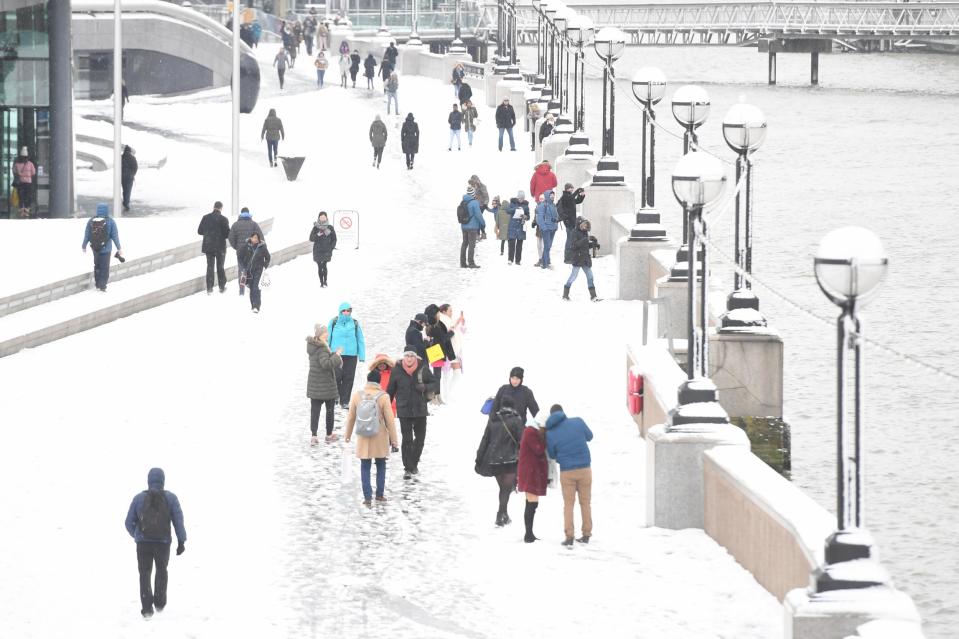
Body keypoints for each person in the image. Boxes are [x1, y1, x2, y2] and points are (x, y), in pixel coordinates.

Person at [124, 468, 187, 619]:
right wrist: (181, 540)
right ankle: (159, 603)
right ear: (163, 480)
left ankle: (146, 609)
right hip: (163, 543)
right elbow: (178, 520)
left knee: (144, 573)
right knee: (161, 570)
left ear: (148, 480)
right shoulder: (171, 498)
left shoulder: (138, 498)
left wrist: (138, 535)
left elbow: (128, 523)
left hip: (143, 544)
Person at [345, 370, 400, 505]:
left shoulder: (357, 395)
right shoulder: (383, 396)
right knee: (381, 464)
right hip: (379, 436)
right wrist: (394, 440)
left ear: (367, 381)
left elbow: (351, 417)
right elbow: (390, 420)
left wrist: (347, 436)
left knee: (365, 466)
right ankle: (379, 495)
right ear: (379, 382)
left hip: (363, 436)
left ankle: (367, 497)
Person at [545, 404, 593, 546]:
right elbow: (590, 436)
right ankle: (586, 534)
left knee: (568, 505)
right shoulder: (578, 421)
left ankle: (569, 536)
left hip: (567, 471)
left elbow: (552, 455)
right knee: (585, 503)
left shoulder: (550, 433)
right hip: (585, 469)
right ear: (562, 412)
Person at [475, 396, 525, 527]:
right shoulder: (517, 420)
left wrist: (479, 458)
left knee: (503, 488)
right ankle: (500, 514)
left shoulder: (493, 419)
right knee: (505, 489)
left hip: (494, 460)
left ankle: (504, 514)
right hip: (510, 460)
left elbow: (485, 440)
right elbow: (522, 442)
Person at [386, 346, 435, 480]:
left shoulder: (423, 369)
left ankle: (414, 463)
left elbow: (435, 384)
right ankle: (408, 468)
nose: (409, 358)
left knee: (420, 439)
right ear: (403, 357)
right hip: (404, 410)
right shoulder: (397, 370)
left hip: (420, 410)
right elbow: (390, 390)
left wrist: (425, 387)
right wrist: (385, 405)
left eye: (412, 356)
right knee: (407, 440)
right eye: (407, 356)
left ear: (416, 357)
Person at [307, 324, 343, 443]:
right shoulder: (322, 347)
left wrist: (332, 354)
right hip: (325, 384)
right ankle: (328, 435)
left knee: (315, 411)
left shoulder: (314, 346)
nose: (327, 334)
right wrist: (337, 355)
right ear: (320, 335)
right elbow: (326, 364)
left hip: (315, 384)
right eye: (325, 333)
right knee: (330, 410)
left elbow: (321, 360)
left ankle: (314, 435)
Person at [328, 302, 366, 408]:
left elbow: (360, 339)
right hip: (336, 354)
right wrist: (326, 352)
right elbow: (328, 337)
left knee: (348, 378)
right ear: (340, 311)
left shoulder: (354, 323)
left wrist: (362, 355)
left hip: (351, 355)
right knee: (336, 376)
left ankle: (345, 401)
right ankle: (335, 396)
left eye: (348, 311)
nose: (346, 312)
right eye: (344, 310)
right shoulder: (334, 322)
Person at [517, 415, 548, 542]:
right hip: (530, 472)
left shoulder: (530, 431)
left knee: (531, 503)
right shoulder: (530, 432)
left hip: (531, 471)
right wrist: (545, 440)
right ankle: (528, 534)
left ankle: (529, 533)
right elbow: (539, 449)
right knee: (532, 503)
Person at [82, 203, 122, 292]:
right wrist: (119, 248)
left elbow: (87, 235)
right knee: (105, 267)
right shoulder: (110, 221)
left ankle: (97, 284)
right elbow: (115, 236)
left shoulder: (91, 221)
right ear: (107, 210)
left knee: (97, 265)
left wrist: (84, 245)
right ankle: (102, 286)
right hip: (106, 249)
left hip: (95, 248)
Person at [228, 208, 264, 296]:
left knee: (242, 269)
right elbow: (261, 237)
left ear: (241, 214)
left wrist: (236, 247)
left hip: (241, 251)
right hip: (252, 251)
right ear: (248, 214)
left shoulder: (235, 225)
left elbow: (231, 238)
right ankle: (250, 286)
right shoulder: (254, 224)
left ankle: (241, 290)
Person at [564, 217, 601, 301]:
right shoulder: (574, 232)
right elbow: (574, 245)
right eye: (584, 224)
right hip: (577, 259)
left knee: (590, 277)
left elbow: (585, 246)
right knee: (573, 277)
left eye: (586, 224)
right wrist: (586, 239)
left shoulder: (585, 233)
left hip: (585, 259)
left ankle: (593, 296)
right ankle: (565, 294)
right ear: (579, 224)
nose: (585, 226)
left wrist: (594, 245)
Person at [197, 200, 230, 294]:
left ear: (213, 207)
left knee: (210, 267)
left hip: (209, 246)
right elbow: (227, 234)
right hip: (220, 247)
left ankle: (209, 288)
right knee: (220, 267)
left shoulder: (205, 218)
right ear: (221, 208)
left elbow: (199, 231)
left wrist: (208, 233)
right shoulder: (224, 219)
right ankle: (222, 287)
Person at [436, 304, 465, 401]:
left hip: (455, 351)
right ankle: (446, 396)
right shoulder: (442, 320)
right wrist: (456, 323)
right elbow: (448, 333)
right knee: (446, 375)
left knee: (457, 373)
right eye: (450, 311)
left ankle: (448, 392)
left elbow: (459, 331)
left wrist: (461, 322)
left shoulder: (450, 320)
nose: (452, 313)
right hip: (447, 350)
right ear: (443, 312)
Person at [238, 231, 270, 313]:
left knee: (256, 287)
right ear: (251, 238)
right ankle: (253, 305)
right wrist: (243, 267)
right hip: (248, 271)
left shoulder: (262, 247)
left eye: (257, 238)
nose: (256, 239)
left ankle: (256, 306)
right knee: (251, 288)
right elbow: (240, 257)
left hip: (258, 270)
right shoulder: (246, 247)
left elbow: (268, 257)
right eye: (254, 237)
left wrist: (264, 266)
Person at [557, 182, 586, 262]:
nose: (572, 189)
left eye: (572, 188)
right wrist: (577, 191)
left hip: (572, 221)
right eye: (571, 188)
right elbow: (571, 198)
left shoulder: (570, 197)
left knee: (571, 239)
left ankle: (570, 257)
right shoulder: (565, 196)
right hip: (568, 221)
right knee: (569, 239)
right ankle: (567, 258)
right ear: (567, 189)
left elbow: (577, 201)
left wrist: (581, 195)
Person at [309, 211, 337, 287]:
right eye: (321, 217)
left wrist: (331, 247)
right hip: (317, 250)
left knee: (324, 265)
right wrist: (317, 235)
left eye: (324, 217)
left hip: (327, 250)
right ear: (319, 218)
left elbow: (334, 239)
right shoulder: (315, 227)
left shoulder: (330, 227)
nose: (322, 218)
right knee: (319, 266)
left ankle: (325, 281)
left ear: (326, 218)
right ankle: (321, 282)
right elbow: (311, 238)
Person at [460, 185, 484, 268]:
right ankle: (471, 263)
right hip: (472, 228)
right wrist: (483, 223)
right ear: (473, 194)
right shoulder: (474, 203)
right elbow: (478, 215)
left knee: (464, 244)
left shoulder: (463, 202)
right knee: (471, 245)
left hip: (464, 227)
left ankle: (462, 263)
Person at [535, 190, 559, 269]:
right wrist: (544, 228)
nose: (552, 196)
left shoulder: (553, 205)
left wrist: (556, 224)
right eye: (551, 195)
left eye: (553, 195)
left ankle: (546, 262)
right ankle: (545, 263)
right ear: (547, 195)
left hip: (553, 228)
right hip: (546, 229)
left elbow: (556, 216)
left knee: (548, 246)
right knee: (547, 246)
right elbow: (539, 218)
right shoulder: (543, 205)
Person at [506, 191, 530, 265]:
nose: (521, 199)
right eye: (520, 198)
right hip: (512, 226)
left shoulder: (526, 205)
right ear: (517, 197)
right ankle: (510, 259)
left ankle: (518, 260)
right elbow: (508, 211)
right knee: (511, 244)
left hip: (521, 226)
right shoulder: (512, 203)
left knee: (519, 245)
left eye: (522, 198)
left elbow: (528, 216)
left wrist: (525, 216)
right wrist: (516, 209)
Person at [12, 147, 36, 218]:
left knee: (21, 197)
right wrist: (27, 175)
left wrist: (21, 174)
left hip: (20, 183)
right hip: (28, 183)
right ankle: (27, 211)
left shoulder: (17, 164)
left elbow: (14, 171)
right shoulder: (30, 164)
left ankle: (21, 211)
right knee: (27, 197)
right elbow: (33, 173)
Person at [120, 145, 138, 212]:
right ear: (130, 151)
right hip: (129, 177)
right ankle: (126, 203)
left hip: (121, 176)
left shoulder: (121, 157)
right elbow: (135, 167)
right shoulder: (132, 158)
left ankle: (124, 202)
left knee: (124, 190)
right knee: (127, 191)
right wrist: (132, 174)